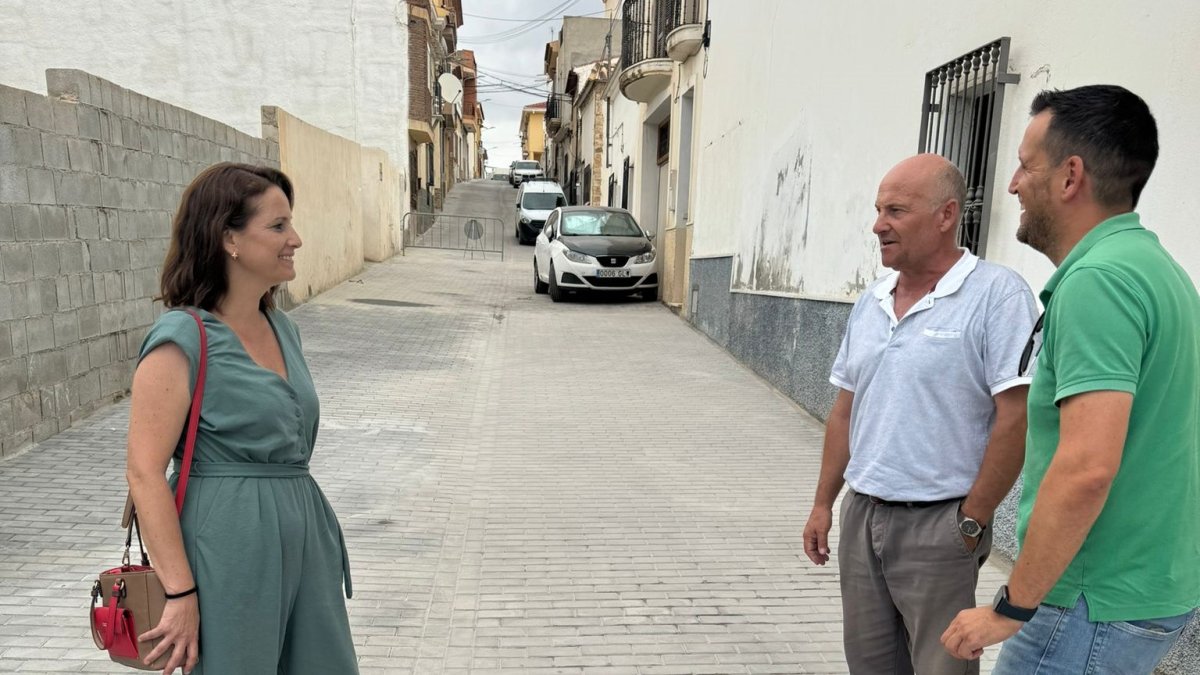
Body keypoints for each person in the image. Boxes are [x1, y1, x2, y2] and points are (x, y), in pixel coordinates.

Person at [941, 85, 1200, 673]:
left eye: (1024, 166)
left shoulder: (1098, 283)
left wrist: (1012, 607)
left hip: (1088, 600)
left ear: (1070, 177)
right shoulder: (1157, 270)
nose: (1011, 185)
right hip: (1144, 587)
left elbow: (1087, 467)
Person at [803, 154, 1038, 674]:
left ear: (946, 215)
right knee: (869, 664)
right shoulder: (872, 301)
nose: (878, 224)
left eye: (896, 210)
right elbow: (845, 409)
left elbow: (1015, 419)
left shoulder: (997, 296)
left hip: (941, 523)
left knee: (941, 668)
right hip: (863, 516)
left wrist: (972, 519)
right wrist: (824, 503)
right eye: (878, 209)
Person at [125, 163, 358, 674]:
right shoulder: (181, 339)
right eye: (277, 226)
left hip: (305, 538)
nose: (294, 238)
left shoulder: (284, 329)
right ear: (228, 237)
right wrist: (180, 591)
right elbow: (144, 473)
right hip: (227, 545)